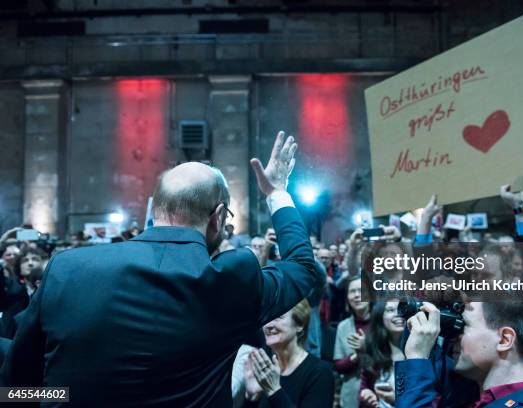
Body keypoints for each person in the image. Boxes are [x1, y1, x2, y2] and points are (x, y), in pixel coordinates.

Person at [1, 131, 319, 407]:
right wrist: (276, 192)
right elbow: (303, 268)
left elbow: (16, 388)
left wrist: (60, 397)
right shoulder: (231, 280)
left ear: (156, 209)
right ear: (219, 217)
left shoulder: (66, 269)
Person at [396, 301, 523, 407]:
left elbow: (418, 372)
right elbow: (427, 366)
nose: (455, 336)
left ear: (505, 340)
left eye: (464, 326)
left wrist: (416, 358)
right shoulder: (475, 395)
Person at [243, 299, 334, 407]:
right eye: (266, 318)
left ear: (299, 324)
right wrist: (251, 397)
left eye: (277, 317)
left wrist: (274, 391)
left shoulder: (319, 372)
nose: (268, 325)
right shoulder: (266, 371)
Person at [359, 300, 406, 408]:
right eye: (390, 310)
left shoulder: (423, 354)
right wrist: (367, 394)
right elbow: (364, 386)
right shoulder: (374, 351)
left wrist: (397, 400)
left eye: (401, 309)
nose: (398, 314)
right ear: (380, 318)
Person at [334, 276, 371, 408]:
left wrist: (366, 348)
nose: (356, 295)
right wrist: (356, 356)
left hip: (378, 392)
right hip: (351, 393)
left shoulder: (382, 322)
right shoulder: (343, 326)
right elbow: (338, 365)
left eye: (361, 291)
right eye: (352, 291)